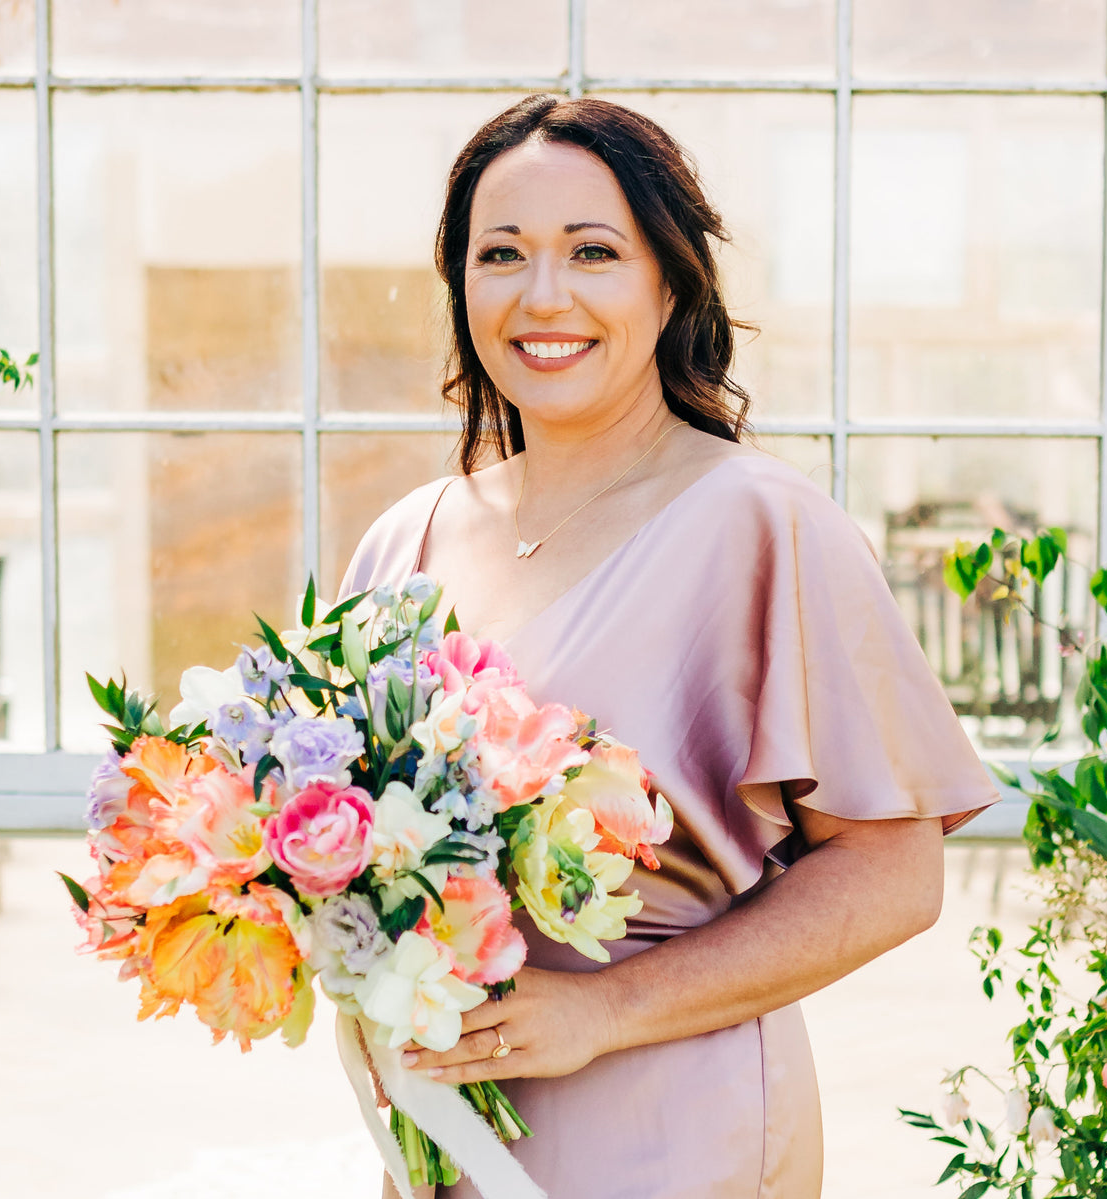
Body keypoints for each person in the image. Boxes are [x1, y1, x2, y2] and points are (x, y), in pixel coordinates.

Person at [338, 93, 1000, 1199]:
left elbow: (895, 871)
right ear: (461, 287)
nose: (543, 295)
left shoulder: (763, 525)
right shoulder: (404, 541)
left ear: (671, 284)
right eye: (501, 253)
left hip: (674, 1129)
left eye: (593, 251)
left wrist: (606, 1009)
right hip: (446, 1130)